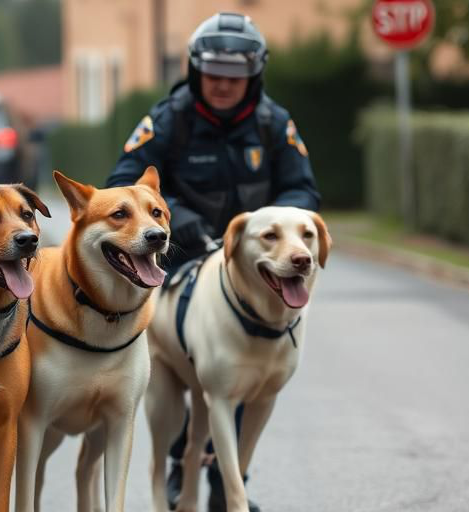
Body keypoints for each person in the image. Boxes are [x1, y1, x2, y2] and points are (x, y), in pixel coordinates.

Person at [106, 12, 320, 512]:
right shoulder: (167, 120)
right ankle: (183, 458)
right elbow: (124, 181)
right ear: (196, 70)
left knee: (261, 368)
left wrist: (274, 223)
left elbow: (303, 189)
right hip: (179, 255)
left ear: (254, 76)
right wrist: (171, 217)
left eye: (235, 76)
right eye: (213, 74)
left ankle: (230, 480)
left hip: (260, 262)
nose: (223, 85)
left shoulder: (273, 124)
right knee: (183, 365)